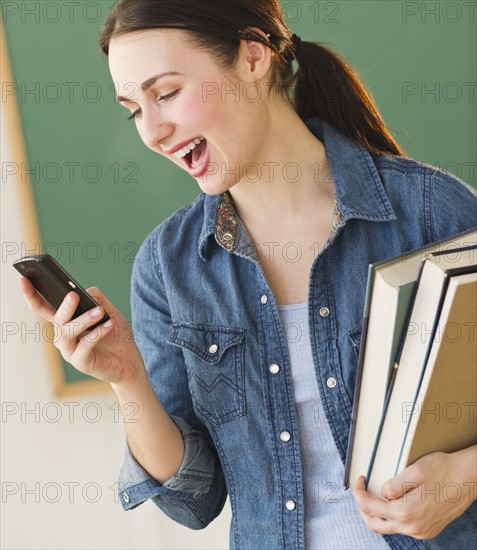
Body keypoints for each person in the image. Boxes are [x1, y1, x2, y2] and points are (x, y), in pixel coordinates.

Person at [20, 1, 477, 549]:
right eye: (134, 110)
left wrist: (465, 476)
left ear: (254, 57)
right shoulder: (168, 266)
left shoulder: (431, 212)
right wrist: (127, 378)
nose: (153, 132)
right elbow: (194, 501)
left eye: (166, 94)